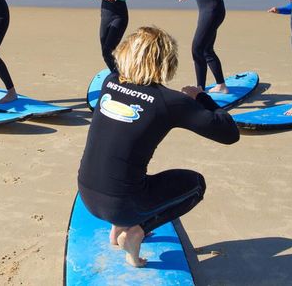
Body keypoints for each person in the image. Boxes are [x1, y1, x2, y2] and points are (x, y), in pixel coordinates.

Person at [77, 26, 239, 267]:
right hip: (122, 203)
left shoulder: (109, 83)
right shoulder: (170, 101)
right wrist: (200, 97)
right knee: (195, 185)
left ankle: (116, 228)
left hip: (87, 194)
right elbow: (229, 133)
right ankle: (136, 232)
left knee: (121, 165)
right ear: (165, 62)